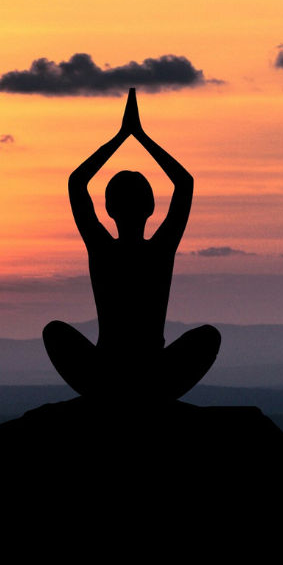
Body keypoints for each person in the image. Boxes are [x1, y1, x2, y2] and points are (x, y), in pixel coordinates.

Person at [43, 88, 220, 402]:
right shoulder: (159, 249)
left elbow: (76, 182)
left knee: (54, 332)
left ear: (109, 209)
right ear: (151, 207)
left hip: (108, 373)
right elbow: (184, 183)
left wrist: (123, 136)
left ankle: (118, 395)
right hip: (150, 374)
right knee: (208, 337)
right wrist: (138, 136)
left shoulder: (103, 248)